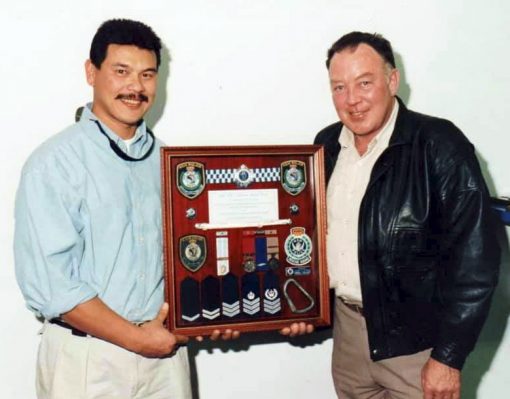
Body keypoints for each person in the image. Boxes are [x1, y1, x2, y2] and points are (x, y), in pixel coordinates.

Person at [14, 18, 236, 399]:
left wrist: (219, 307)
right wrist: (136, 339)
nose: (135, 87)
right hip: (86, 360)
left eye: (147, 75)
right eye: (122, 71)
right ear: (91, 72)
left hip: (165, 355)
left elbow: (196, 256)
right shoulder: (55, 163)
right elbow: (53, 286)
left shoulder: (175, 167)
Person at [314, 31, 500, 399]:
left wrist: (448, 357)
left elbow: (477, 262)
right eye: (339, 87)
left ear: (392, 79)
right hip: (349, 338)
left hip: (419, 347)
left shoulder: (440, 144)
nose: (352, 100)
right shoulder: (326, 146)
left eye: (364, 83)